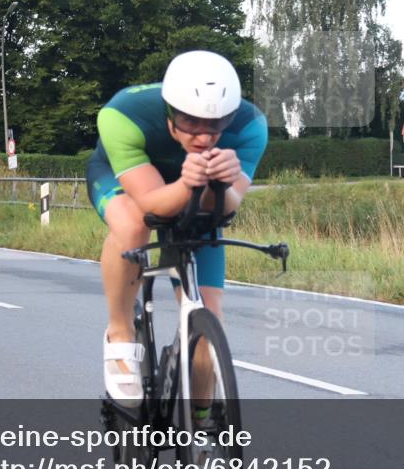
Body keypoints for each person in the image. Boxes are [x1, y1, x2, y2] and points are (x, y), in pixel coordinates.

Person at [86, 50, 268, 408]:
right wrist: (188, 184)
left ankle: (201, 429)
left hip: (197, 196)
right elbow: (151, 202)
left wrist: (221, 184)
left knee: (208, 331)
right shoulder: (123, 114)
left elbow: (227, 207)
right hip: (130, 182)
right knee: (133, 223)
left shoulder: (250, 126)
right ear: (170, 115)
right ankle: (120, 332)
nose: (203, 137)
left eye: (216, 126)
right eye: (190, 123)